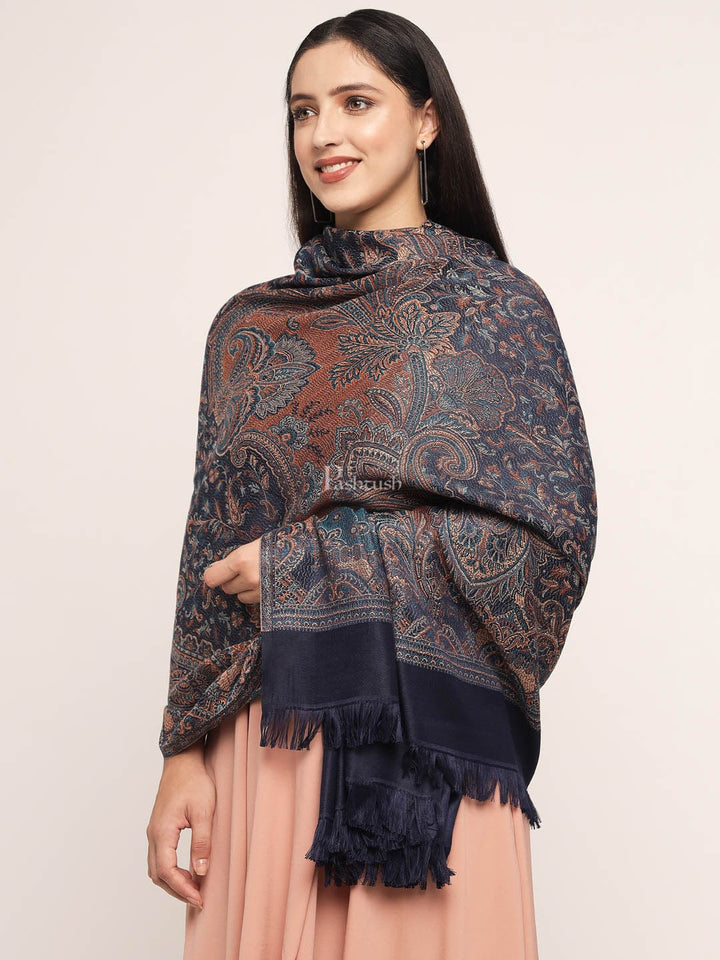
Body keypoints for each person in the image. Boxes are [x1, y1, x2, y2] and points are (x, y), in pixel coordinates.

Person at [147, 9, 596, 958]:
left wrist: (310, 568)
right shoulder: (248, 329)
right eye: (303, 111)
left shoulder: (497, 310)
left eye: (357, 103)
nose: (325, 134)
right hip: (265, 743)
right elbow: (207, 550)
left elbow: (546, 552)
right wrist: (182, 752)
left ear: (426, 120)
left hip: (429, 742)